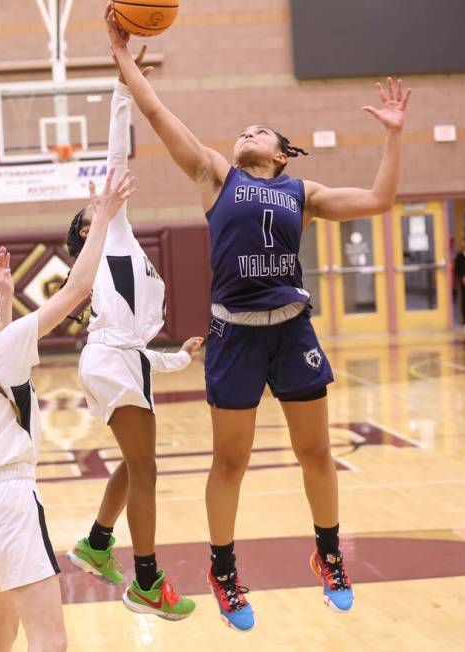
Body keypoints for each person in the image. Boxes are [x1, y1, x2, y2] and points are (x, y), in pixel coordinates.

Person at [105, 6, 411, 631]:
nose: (247, 133)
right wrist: (124, 63)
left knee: (316, 452)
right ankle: (223, 569)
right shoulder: (215, 173)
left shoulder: (304, 194)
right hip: (235, 335)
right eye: (243, 130)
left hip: (292, 328)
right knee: (231, 463)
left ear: (280, 154)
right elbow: (163, 118)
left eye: (259, 131)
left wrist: (394, 135)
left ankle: (328, 556)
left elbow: (380, 200)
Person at [0, 169, 135, 652]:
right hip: (10, 502)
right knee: (49, 641)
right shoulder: (1, 349)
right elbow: (77, 287)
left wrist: (0, 291)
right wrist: (101, 217)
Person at [61, 46, 202, 620]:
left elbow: (138, 347)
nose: (98, 203)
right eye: (88, 211)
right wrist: (124, 89)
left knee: (132, 464)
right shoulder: (108, 236)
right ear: (88, 228)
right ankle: (146, 582)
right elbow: (116, 154)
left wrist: (179, 359)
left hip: (124, 362)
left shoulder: (129, 251)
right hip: (110, 363)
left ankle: (97, 544)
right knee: (145, 468)